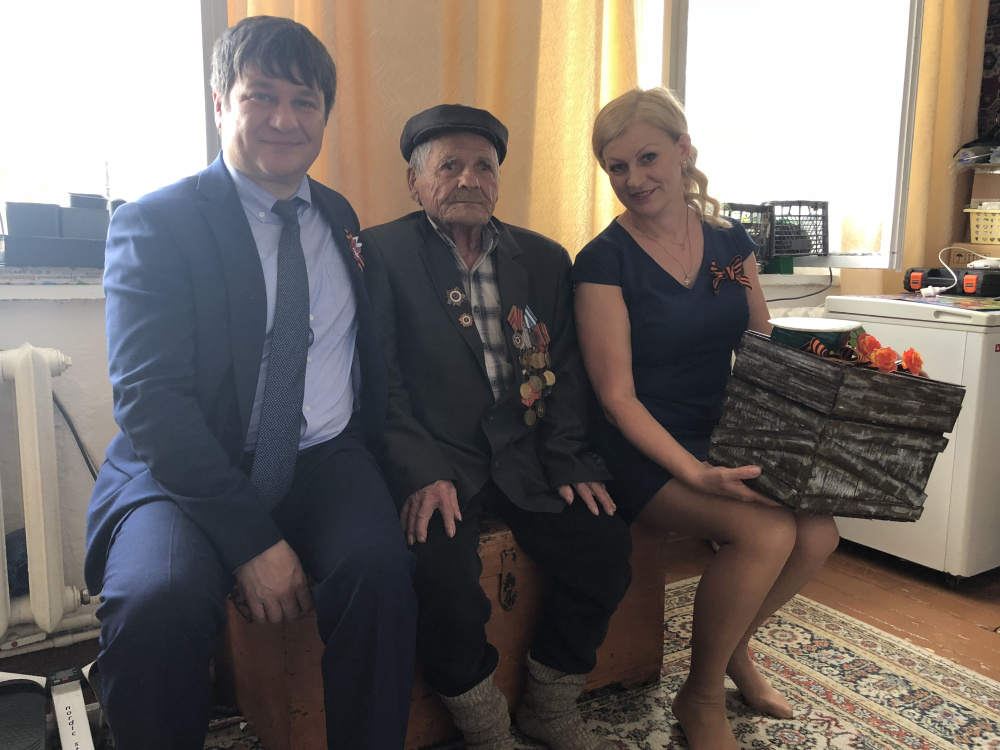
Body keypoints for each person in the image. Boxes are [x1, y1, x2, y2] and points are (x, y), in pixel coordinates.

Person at [84, 16, 417, 750]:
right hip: (190, 467)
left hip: (323, 457)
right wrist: (252, 542)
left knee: (382, 573)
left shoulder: (339, 216)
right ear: (219, 104)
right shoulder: (155, 224)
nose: (283, 119)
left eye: (304, 101)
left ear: (325, 115)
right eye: (260, 95)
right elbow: (150, 401)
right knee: (156, 604)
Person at [572, 86, 841, 750]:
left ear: (683, 150)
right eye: (617, 167)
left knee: (818, 534)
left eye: (648, 158)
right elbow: (616, 398)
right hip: (641, 443)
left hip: (724, 428)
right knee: (767, 533)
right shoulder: (602, 261)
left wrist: (803, 426)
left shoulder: (729, 242)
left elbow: (760, 342)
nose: (634, 179)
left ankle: (732, 649)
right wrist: (694, 471)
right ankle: (699, 695)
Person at [360, 104, 633, 750]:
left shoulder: (542, 258)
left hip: (524, 455)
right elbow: (379, 384)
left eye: (484, 166)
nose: (469, 179)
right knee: (441, 575)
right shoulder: (380, 254)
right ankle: (485, 728)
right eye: (449, 165)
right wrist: (421, 472)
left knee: (604, 547)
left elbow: (562, 370)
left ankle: (549, 705)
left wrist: (567, 457)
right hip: (438, 460)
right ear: (414, 182)